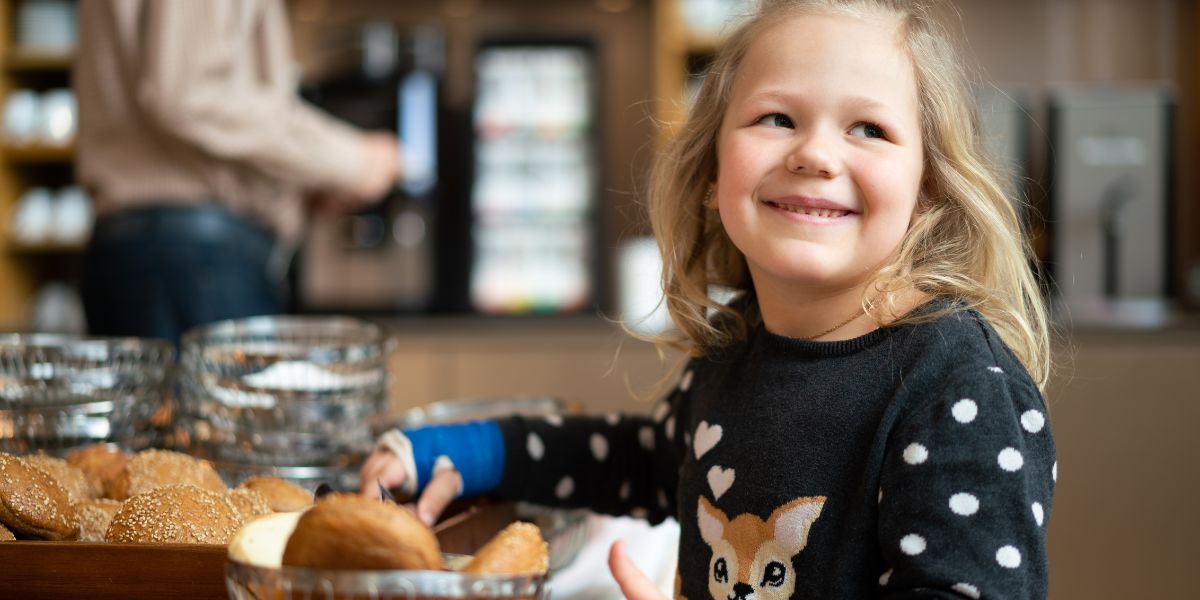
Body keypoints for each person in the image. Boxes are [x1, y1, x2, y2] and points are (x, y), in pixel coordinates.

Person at [362, 1, 1055, 598]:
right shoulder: (737, 354)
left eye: (868, 129)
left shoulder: (960, 391)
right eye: (777, 118)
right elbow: (637, 462)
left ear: (927, 189)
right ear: (710, 173)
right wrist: (460, 453)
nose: (816, 153)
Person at [74, 0, 400, 345]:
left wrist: (293, 189)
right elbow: (193, 93)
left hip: (159, 254)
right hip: (194, 262)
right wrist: (354, 161)